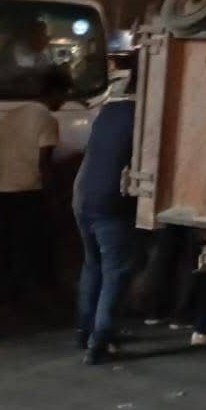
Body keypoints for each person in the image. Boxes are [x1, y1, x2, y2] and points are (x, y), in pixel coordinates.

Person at [73, 82, 137, 365]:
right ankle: (99, 340)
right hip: (110, 201)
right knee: (116, 270)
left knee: (93, 264)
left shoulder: (108, 110)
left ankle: (83, 330)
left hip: (82, 196)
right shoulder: (145, 114)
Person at [0, 94, 63, 309]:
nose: (63, 101)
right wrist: (53, 196)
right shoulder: (47, 119)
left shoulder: (11, 115)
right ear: (55, 91)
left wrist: (4, 170)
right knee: (28, 243)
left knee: (3, 243)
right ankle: (24, 293)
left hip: (4, 189)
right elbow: (44, 162)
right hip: (30, 191)